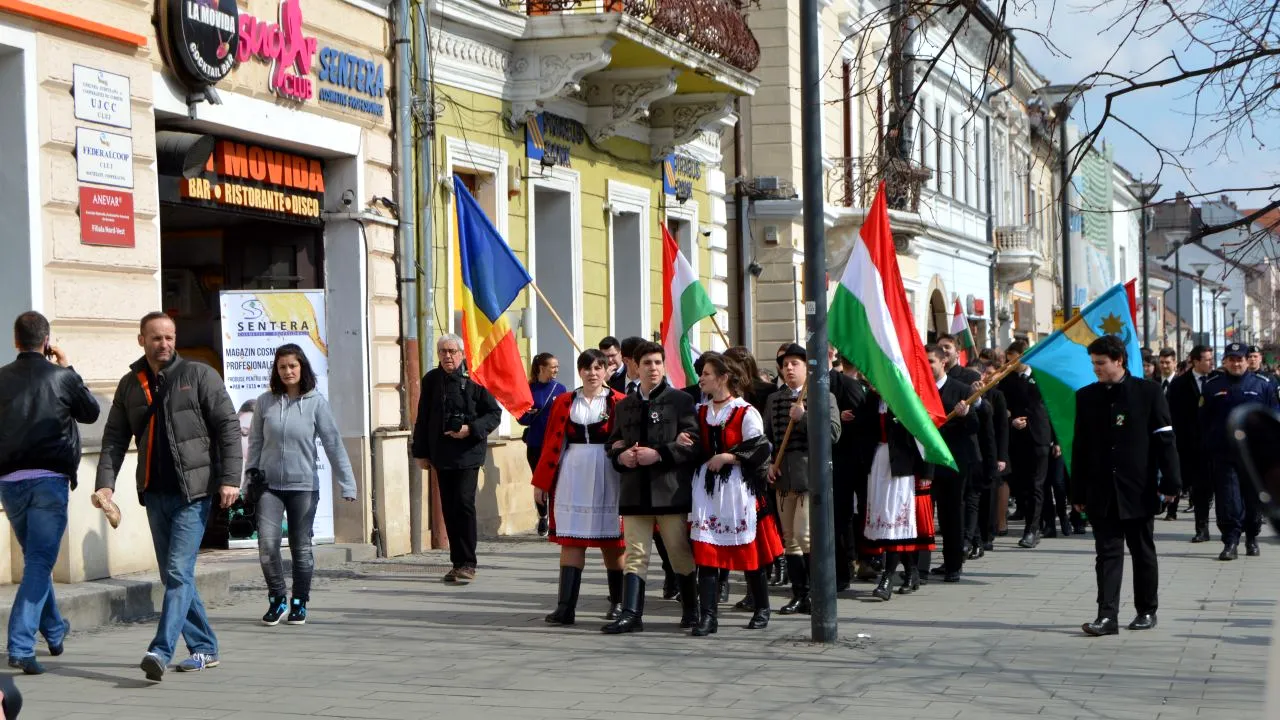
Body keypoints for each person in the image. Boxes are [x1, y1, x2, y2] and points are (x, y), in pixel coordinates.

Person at [96, 312, 242, 681]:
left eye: (170, 337)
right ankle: (205, 647)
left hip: (193, 491)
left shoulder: (198, 376)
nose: (164, 344)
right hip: (154, 492)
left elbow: (228, 426)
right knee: (175, 575)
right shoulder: (131, 385)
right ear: (141, 339)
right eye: (157, 338)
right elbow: (115, 436)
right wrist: (105, 483)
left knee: (178, 571)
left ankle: (160, 651)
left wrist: (230, 479)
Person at [0, 312, 99, 674]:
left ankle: (55, 630)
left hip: (9, 485)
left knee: (35, 563)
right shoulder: (62, 378)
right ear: (47, 341)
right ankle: (21, 646)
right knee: (40, 564)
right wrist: (68, 367)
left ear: (15, 341)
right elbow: (90, 412)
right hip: (48, 482)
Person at [1071, 335, 1180, 636]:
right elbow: (1079, 446)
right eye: (1093, 363)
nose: (1095, 369)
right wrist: (1077, 491)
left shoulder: (1149, 392)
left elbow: (1164, 439)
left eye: (1100, 363)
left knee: (1142, 551)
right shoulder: (1086, 396)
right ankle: (1107, 616)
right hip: (1101, 490)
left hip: (1138, 487)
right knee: (1107, 553)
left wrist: (1171, 482)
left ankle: (1146, 610)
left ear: (1119, 360)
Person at [245, 344, 357, 627]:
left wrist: (348, 483)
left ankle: (299, 601)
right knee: (267, 546)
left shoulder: (316, 402)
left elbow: (333, 443)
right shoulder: (265, 402)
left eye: (292, 366)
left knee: (300, 547)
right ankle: (277, 598)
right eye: (282, 367)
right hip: (269, 486)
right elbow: (255, 444)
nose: (287, 371)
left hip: (303, 486)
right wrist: (248, 479)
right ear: (276, 370)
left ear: (302, 367)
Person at [601, 341, 702, 634]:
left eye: (658, 362)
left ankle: (691, 610)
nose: (653, 368)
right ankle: (631, 615)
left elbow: (693, 443)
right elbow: (612, 443)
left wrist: (659, 453)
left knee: (678, 551)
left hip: (669, 491)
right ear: (636, 366)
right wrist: (620, 456)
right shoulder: (625, 404)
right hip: (634, 490)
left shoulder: (680, 401)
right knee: (635, 553)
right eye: (647, 363)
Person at [686, 352, 782, 634]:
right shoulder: (700, 412)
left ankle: (762, 607)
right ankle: (708, 616)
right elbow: (695, 445)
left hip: (738, 489)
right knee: (706, 552)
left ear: (723, 377)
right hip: (708, 490)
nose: (701, 378)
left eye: (706, 373)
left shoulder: (744, 411)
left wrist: (728, 457)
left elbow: (761, 447)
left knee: (749, 551)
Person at [531, 349, 626, 626]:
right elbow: (551, 443)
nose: (592, 373)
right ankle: (565, 607)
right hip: (572, 471)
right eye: (587, 368)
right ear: (580, 371)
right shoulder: (564, 401)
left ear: (606, 370)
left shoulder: (620, 402)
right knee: (571, 538)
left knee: (613, 541)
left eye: (598, 367)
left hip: (609, 470)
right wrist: (541, 482)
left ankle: (618, 603)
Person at [412, 334, 502, 584]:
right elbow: (423, 417)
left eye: (452, 351)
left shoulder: (475, 378)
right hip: (442, 454)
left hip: (468, 454)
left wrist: (470, 429)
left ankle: (468, 562)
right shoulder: (432, 380)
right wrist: (420, 452)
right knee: (449, 509)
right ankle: (457, 563)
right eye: (442, 352)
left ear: (462, 354)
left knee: (463, 504)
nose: (447, 356)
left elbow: (494, 414)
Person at [764, 344, 840, 615]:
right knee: (789, 539)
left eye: (794, 364)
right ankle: (800, 595)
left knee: (805, 535)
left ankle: (819, 592)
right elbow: (767, 439)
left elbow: (832, 434)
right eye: (785, 365)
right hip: (783, 478)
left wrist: (804, 417)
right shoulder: (774, 400)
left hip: (810, 478)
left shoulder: (823, 396)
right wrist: (769, 464)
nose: (789, 369)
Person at [1200, 342, 1280, 560]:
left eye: (1240, 359)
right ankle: (1230, 541)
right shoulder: (1212, 385)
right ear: (1224, 361)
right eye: (1232, 359)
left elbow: (1272, 417)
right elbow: (1204, 419)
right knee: (1228, 498)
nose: (1236, 363)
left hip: (1254, 454)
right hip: (1224, 452)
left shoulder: (1264, 384)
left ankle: (1252, 537)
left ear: (1247, 360)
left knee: (1253, 498)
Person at [864, 391, 935, 600]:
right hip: (878, 464)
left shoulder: (906, 397)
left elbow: (924, 435)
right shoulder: (871, 400)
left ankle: (887, 577)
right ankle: (912, 571)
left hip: (902, 466)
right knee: (884, 519)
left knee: (896, 520)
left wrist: (927, 472)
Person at [925, 344, 975, 582]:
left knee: (951, 514)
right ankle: (920, 566)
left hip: (953, 462)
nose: (928, 366)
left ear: (943, 362)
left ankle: (953, 564)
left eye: (931, 361)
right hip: (926, 461)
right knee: (924, 513)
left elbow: (976, 425)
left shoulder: (961, 390)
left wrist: (966, 415)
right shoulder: (920, 389)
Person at [998, 340, 1052, 549]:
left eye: (1012, 357)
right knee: (1022, 486)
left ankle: (1032, 529)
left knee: (1037, 485)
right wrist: (1011, 420)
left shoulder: (1041, 376)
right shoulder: (1007, 380)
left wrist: (1055, 440)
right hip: (1017, 439)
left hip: (1040, 437)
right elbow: (1002, 407)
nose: (1009, 362)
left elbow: (1053, 409)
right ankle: (1034, 522)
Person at [828, 347, 868, 592]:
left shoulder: (848, 386)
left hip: (846, 463)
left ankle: (846, 569)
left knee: (842, 518)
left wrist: (839, 420)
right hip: (815, 463)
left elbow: (864, 425)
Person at [1168, 346, 1215, 542]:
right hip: (1192, 446)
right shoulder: (1179, 384)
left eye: (1212, 359)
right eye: (1206, 359)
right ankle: (1201, 528)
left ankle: (1232, 530)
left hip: (1217, 444)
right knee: (1200, 488)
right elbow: (1172, 415)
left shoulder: (1218, 380)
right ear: (1195, 361)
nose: (1211, 363)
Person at [517, 353, 567, 537]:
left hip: (555, 443)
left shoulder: (560, 388)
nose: (556, 370)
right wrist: (529, 414)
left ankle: (556, 519)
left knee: (557, 482)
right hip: (536, 442)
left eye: (557, 367)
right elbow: (521, 419)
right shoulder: (528, 389)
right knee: (540, 482)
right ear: (541, 368)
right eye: (553, 367)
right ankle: (543, 515)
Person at [965, 361, 1008, 557]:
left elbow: (999, 429)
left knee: (984, 499)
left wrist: (1000, 457)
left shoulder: (995, 396)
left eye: (975, 376)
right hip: (968, 456)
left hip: (987, 454)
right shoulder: (963, 394)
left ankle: (984, 536)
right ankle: (973, 539)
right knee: (971, 501)